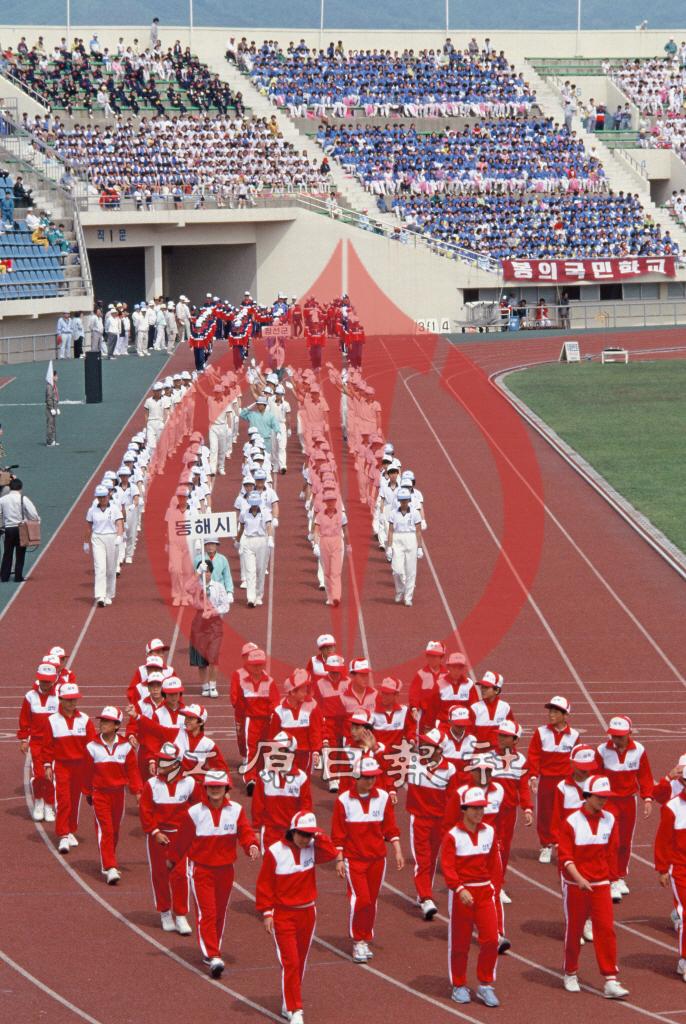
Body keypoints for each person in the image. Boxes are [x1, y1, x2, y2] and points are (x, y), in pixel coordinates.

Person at [169, 770, 259, 977]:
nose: (215, 790)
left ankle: (212, 950)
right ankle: (213, 954)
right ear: (206, 789)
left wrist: (251, 846)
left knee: (219, 913)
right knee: (207, 913)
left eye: (219, 786)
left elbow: (245, 832)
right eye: (211, 787)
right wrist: (171, 860)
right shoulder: (195, 812)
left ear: (226, 788)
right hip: (201, 870)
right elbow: (182, 839)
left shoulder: (236, 810)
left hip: (226, 870)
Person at [256, 811, 338, 1024]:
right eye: (302, 833)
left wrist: (318, 836)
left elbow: (331, 853)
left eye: (309, 834)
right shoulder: (275, 851)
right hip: (283, 915)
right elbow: (265, 884)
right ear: (292, 831)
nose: (305, 838)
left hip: (308, 913)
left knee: (300, 962)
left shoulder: (313, 847)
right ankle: (296, 1009)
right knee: (290, 961)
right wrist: (267, 912)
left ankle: (289, 1002)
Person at [557, 774, 629, 998]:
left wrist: (611, 880)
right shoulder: (571, 822)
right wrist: (579, 879)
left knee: (606, 929)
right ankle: (570, 972)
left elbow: (611, 852)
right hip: (575, 885)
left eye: (606, 797)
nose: (603, 800)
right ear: (587, 796)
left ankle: (610, 979)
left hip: (600, 884)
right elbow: (565, 857)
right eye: (599, 796)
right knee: (575, 929)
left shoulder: (610, 819)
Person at [331, 756, 404, 962]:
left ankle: (365, 937)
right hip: (354, 859)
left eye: (374, 777)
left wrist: (397, 850)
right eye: (367, 777)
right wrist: (339, 859)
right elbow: (338, 834)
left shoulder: (383, 797)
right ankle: (358, 940)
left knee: (371, 901)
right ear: (357, 777)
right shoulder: (343, 800)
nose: (371, 781)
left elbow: (390, 827)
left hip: (378, 859)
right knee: (361, 899)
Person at [441, 785, 501, 1006]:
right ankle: (458, 985)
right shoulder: (452, 836)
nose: (479, 812)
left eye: (481, 808)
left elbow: (494, 864)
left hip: (484, 892)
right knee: (460, 943)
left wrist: (493, 887)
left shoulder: (490, 832)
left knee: (491, 939)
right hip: (462, 895)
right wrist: (459, 889)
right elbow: (448, 867)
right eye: (474, 808)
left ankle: (485, 984)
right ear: (464, 809)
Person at [139, 741, 200, 934]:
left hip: (181, 838)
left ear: (176, 763)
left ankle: (180, 915)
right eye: (159, 760)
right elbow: (145, 812)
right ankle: (165, 912)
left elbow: (199, 807)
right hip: (158, 837)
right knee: (160, 875)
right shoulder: (151, 784)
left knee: (181, 876)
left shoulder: (189, 783)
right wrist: (155, 832)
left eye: (165, 761)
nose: (160, 763)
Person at [82, 705, 142, 884]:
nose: (103, 724)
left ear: (117, 725)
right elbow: (86, 772)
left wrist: (138, 792)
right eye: (102, 721)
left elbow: (133, 771)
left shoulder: (126, 747)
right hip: (100, 794)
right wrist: (88, 792)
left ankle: (108, 860)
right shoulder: (91, 746)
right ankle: (110, 867)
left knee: (114, 831)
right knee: (106, 829)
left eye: (107, 721)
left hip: (118, 795)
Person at [596, 715, 654, 901]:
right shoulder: (602, 750)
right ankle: (611, 878)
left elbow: (645, 776)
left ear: (629, 733)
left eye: (620, 736)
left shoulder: (639, 750)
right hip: (608, 801)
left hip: (629, 801)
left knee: (625, 841)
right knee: (611, 840)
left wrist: (647, 798)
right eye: (613, 735)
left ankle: (620, 876)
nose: (616, 739)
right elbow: (595, 777)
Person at [407, 728, 458, 920]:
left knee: (432, 858)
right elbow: (385, 761)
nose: (424, 746)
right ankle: (426, 898)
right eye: (424, 743)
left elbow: (452, 799)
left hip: (439, 821)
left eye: (429, 744)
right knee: (423, 860)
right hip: (419, 819)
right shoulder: (413, 761)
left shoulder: (450, 769)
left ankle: (423, 892)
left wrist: (451, 825)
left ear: (439, 750)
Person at [42, 680, 97, 854]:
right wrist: (47, 765)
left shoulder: (85, 719)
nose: (72, 702)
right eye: (69, 699)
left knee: (75, 800)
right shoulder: (52, 720)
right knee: (63, 800)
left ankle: (71, 829)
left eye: (75, 699)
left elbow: (92, 745)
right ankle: (63, 834)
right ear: (60, 699)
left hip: (80, 767)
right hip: (61, 766)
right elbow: (47, 746)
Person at [527, 696, 579, 864]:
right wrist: (533, 775)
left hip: (566, 782)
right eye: (550, 711)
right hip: (546, 780)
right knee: (545, 814)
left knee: (567, 814)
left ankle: (565, 847)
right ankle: (546, 845)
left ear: (565, 715)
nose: (551, 715)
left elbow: (576, 759)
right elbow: (533, 755)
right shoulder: (541, 732)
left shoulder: (574, 735)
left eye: (555, 712)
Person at [653, 764, 686, 980]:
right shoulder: (673, 807)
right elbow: (662, 840)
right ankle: (685, 960)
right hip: (680, 868)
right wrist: (662, 869)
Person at [17, 661, 59, 822]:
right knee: (39, 775)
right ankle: (39, 802)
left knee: (51, 775)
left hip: (54, 743)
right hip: (36, 742)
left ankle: (49, 805)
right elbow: (24, 719)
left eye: (48, 680)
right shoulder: (30, 696)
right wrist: (23, 739)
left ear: (53, 680)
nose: (45, 683)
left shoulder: (59, 697)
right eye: (42, 680)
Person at [187, 557, 233, 699]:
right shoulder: (196, 586)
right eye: (203, 571)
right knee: (201, 660)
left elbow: (225, 606)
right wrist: (197, 573)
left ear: (211, 573)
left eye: (207, 571)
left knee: (213, 656)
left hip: (214, 624)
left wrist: (212, 612)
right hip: (199, 622)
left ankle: (213, 685)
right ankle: (205, 686)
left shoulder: (218, 587)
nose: (205, 574)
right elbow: (186, 588)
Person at [236, 490, 273, 608]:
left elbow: (269, 526)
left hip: (261, 540)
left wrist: (270, 538)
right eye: (253, 503)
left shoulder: (266, 512)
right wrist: (237, 540)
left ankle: (258, 595)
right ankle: (250, 598)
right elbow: (241, 528)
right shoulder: (244, 513)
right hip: (248, 541)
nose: (254, 506)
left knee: (260, 570)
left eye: (256, 504)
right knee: (250, 570)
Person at [386, 487, 423, 606]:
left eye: (405, 500)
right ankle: (400, 590)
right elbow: (390, 530)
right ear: (399, 500)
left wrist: (419, 547)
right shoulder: (393, 513)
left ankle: (408, 597)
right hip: (397, 539)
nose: (404, 502)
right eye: (402, 500)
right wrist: (389, 547)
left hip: (411, 538)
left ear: (409, 500)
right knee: (396, 570)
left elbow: (418, 531)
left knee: (411, 571)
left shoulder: (415, 513)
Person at [0, 477, 39, 583]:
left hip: (8, 529)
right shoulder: (23, 499)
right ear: (20, 488)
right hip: (21, 528)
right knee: (20, 554)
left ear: (10, 487)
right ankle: (18, 577)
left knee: (7, 553)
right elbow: (33, 514)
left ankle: (4, 576)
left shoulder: (3, 499)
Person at [45, 368, 60, 446]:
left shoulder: (54, 385)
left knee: (53, 425)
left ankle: (53, 440)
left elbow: (55, 397)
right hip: (50, 409)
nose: (57, 377)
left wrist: (57, 408)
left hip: (54, 408)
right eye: (56, 376)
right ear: (52, 377)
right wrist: (51, 408)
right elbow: (49, 398)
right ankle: (49, 441)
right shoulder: (49, 386)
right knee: (50, 425)